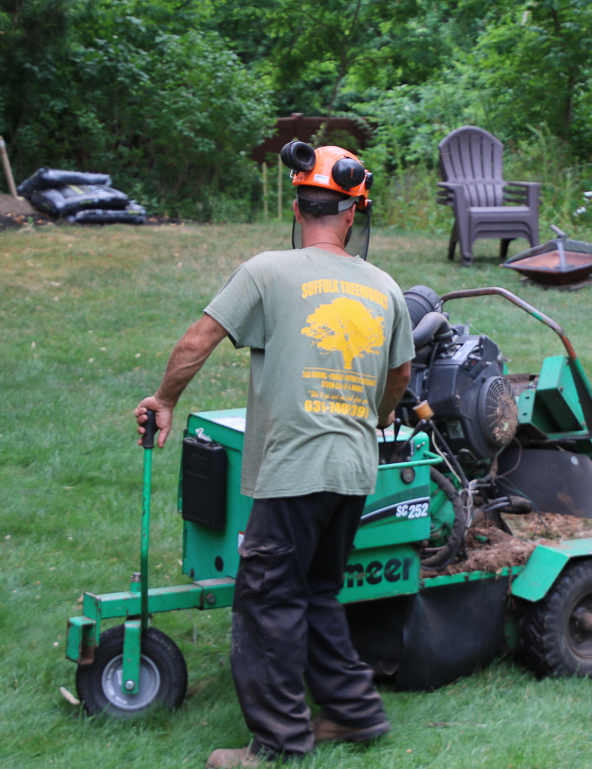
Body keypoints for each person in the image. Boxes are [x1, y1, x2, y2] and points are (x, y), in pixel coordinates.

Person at [134, 144, 414, 767]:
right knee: (314, 592)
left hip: (293, 470)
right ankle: (352, 712)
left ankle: (277, 743)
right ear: (351, 214)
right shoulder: (386, 288)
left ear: (297, 207)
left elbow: (196, 341)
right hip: (351, 471)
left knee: (266, 602)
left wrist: (164, 398)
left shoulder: (267, 271)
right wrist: (380, 414)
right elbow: (400, 375)